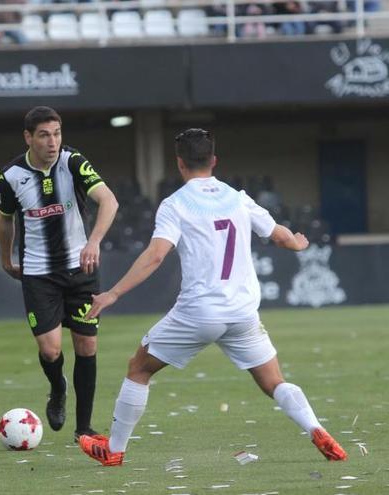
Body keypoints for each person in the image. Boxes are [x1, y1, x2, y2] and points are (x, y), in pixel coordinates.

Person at [78, 128, 347, 466]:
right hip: (242, 313)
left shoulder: (175, 204)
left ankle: (114, 450)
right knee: (273, 381)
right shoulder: (238, 197)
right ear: (214, 160)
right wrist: (298, 242)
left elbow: (156, 255)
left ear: (179, 164)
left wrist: (113, 293)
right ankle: (316, 428)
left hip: (199, 313)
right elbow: (280, 236)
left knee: (138, 368)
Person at [0, 106, 119, 441]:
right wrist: (6, 259)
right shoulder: (10, 176)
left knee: (86, 345)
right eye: (44, 135)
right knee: (51, 350)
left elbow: (109, 201)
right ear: (28, 137)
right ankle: (58, 387)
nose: (53, 142)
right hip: (38, 273)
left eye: (57, 133)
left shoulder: (73, 162)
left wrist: (93, 241)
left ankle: (84, 427)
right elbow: (5, 218)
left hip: (82, 269)